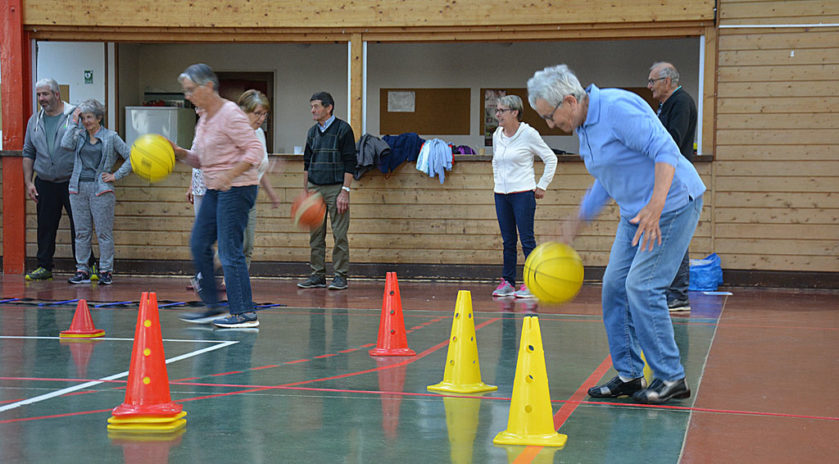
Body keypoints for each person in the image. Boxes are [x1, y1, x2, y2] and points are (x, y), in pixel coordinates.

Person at [527, 64, 705, 404]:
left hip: (672, 206)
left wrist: (656, 204)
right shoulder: (584, 126)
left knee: (643, 286)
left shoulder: (616, 109)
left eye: (550, 116)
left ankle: (671, 378)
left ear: (568, 100)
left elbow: (665, 150)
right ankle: (630, 375)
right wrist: (576, 222)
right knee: (614, 287)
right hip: (635, 213)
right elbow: (606, 178)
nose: (551, 125)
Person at [171, 63, 264, 329]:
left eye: (190, 90)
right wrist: (178, 152)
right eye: (185, 91)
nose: (187, 95)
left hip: (238, 189)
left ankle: (245, 313)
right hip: (215, 189)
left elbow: (254, 151)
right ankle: (212, 306)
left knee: (229, 250)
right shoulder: (204, 120)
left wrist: (230, 174)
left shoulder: (230, 114)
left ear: (208, 87)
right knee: (199, 243)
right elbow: (202, 160)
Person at [22, 78, 96, 281]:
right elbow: (28, 151)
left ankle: (87, 266)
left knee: (79, 226)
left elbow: (90, 144)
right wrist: (29, 182)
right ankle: (44, 266)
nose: (41, 99)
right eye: (38, 95)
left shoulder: (76, 116)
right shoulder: (34, 121)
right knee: (45, 226)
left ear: (56, 94)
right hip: (44, 181)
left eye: (45, 94)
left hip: (73, 181)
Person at [490, 95, 557, 299]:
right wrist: (498, 184)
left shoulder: (529, 134)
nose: (498, 114)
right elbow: (495, 161)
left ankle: (532, 283)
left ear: (515, 112)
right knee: (508, 241)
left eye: (502, 110)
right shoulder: (496, 135)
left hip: (523, 194)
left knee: (527, 239)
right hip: (501, 194)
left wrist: (542, 185)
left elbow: (550, 158)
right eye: (497, 110)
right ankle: (508, 282)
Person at [61, 99, 133, 285]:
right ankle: (82, 270)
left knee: (103, 232)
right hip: (77, 188)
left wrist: (116, 176)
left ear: (99, 118)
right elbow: (65, 144)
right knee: (81, 232)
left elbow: (131, 158)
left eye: (90, 117)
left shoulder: (111, 137)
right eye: (83, 118)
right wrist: (73, 120)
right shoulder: (79, 135)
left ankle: (106, 271)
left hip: (101, 190)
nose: (86, 121)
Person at [648, 61, 698, 312]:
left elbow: (672, 142)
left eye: (652, 81)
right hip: (666, 177)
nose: (649, 86)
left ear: (667, 81)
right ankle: (670, 291)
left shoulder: (681, 103)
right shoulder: (666, 105)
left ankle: (678, 293)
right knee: (666, 233)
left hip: (676, 179)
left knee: (675, 235)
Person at [296, 91, 356, 291]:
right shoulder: (312, 132)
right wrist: (306, 191)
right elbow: (307, 163)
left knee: (339, 234)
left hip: (336, 188)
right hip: (315, 187)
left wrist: (345, 190)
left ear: (328, 108)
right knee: (315, 236)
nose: (312, 110)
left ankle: (340, 276)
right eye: (311, 107)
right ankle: (317, 275)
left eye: (316, 106)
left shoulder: (343, 130)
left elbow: (351, 163)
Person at [237, 89, 281, 269]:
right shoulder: (235, 134)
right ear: (243, 111)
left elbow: (260, 170)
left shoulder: (259, 134)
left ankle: (240, 285)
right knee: (240, 243)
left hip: (251, 193)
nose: (261, 118)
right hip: (235, 193)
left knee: (249, 246)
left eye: (264, 114)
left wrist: (272, 194)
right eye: (257, 113)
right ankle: (208, 269)